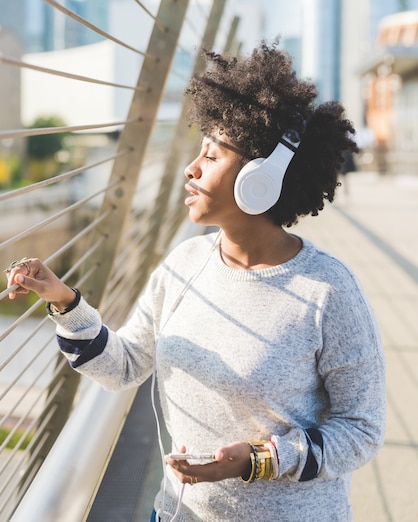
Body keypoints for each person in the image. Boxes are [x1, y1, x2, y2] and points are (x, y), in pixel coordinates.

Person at [6, 41, 385, 522]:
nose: (191, 167)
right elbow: (122, 367)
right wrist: (61, 300)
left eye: (213, 154)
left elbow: (363, 429)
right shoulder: (184, 264)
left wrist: (259, 459)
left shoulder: (328, 290)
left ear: (261, 178)